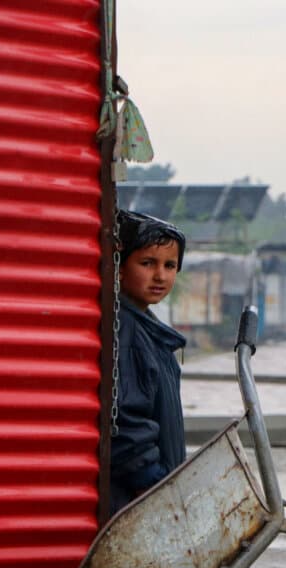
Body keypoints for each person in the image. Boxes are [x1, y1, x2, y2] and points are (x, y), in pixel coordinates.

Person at [110, 209, 188, 517]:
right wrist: (154, 491)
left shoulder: (145, 327)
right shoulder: (126, 331)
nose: (161, 276)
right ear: (119, 267)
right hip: (133, 501)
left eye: (170, 266)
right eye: (147, 263)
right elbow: (127, 421)